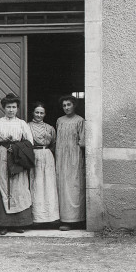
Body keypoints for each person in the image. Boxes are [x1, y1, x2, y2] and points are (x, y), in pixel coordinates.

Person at [0, 92, 35, 235]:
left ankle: (18, 224)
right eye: (8, 107)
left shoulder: (22, 124)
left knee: (18, 188)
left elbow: (30, 142)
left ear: (17, 108)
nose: (11, 110)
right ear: (4, 108)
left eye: (14, 107)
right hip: (1, 156)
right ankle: (2, 224)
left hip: (17, 158)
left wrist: (17, 147)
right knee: (3, 186)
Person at [55, 96, 86, 231]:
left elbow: (83, 141)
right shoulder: (59, 121)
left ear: (74, 105)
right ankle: (64, 220)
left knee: (74, 188)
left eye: (69, 105)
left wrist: (76, 149)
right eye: (64, 105)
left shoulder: (80, 120)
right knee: (62, 188)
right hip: (61, 158)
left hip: (74, 158)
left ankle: (77, 220)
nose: (67, 107)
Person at [28, 102, 60, 227]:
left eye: (42, 113)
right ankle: (36, 217)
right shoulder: (27, 126)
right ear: (33, 113)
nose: (39, 115)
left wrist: (47, 152)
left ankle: (51, 217)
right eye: (37, 112)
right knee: (36, 184)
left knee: (48, 184)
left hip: (47, 155)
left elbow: (54, 144)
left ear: (45, 114)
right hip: (33, 156)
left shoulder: (50, 127)